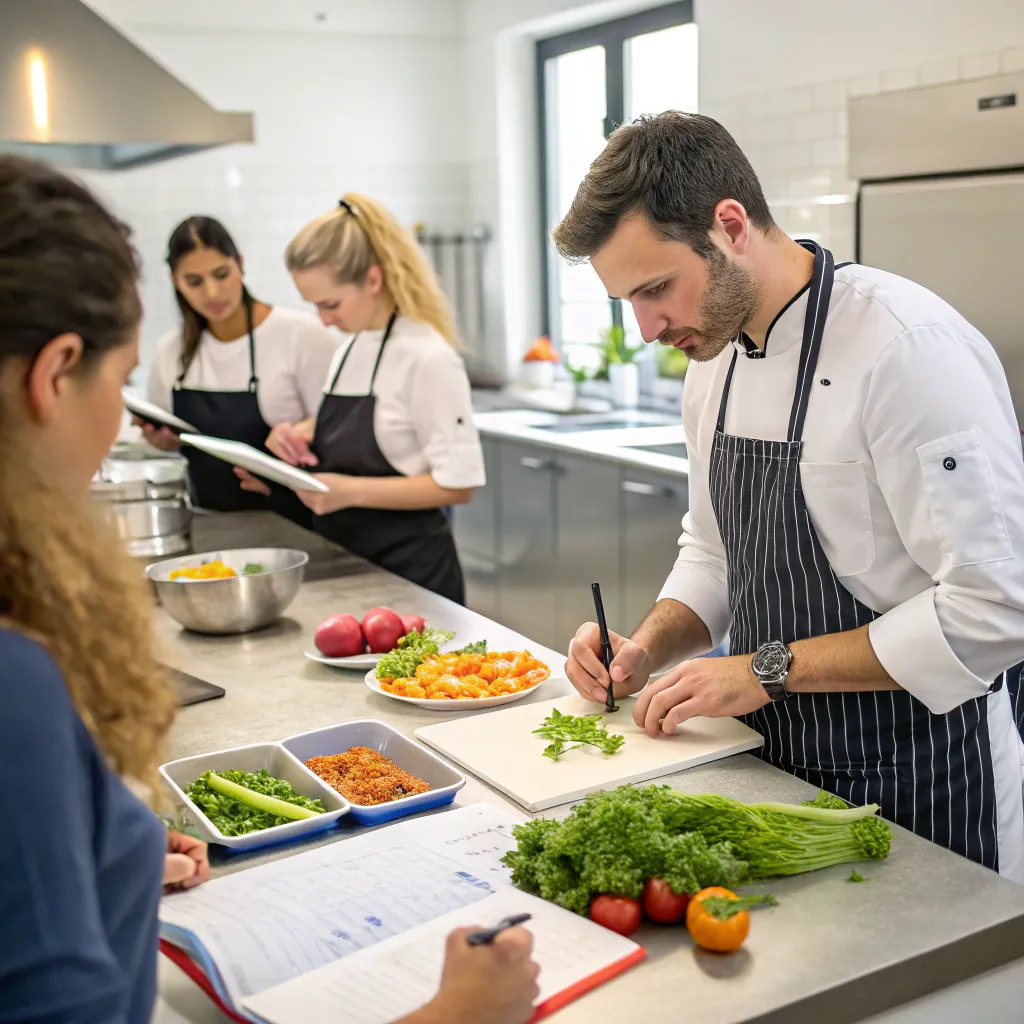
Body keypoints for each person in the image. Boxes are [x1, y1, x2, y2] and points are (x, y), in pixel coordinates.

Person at [0, 156, 538, 1024]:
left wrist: (116, 844)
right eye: (119, 376)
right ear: (55, 372)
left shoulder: (412, 349)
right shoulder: (15, 684)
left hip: (407, 559)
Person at [558, 112, 1024, 881]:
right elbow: (714, 549)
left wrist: (763, 669)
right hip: (776, 772)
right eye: (628, 304)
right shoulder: (711, 358)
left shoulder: (906, 350)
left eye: (655, 289)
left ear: (730, 226)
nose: (645, 329)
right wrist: (647, 646)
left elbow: (997, 606)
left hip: (927, 777)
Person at [240, 195, 485, 604]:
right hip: (349, 567)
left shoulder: (428, 357)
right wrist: (299, 433)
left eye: (330, 304)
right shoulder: (351, 348)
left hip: (414, 578)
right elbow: (370, 425)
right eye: (314, 305)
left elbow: (458, 486)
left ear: (373, 280)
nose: (323, 319)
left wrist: (349, 491)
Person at [142, 216, 339, 526]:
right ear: (175, 281)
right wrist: (163, 441)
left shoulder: (300, 334)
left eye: (221, 274)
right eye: (194, 281)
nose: (212, 293)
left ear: (240, 265)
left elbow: (338, 433)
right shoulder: (171, 350)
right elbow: (169, 447)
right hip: (209, 524)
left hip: (297, 524)